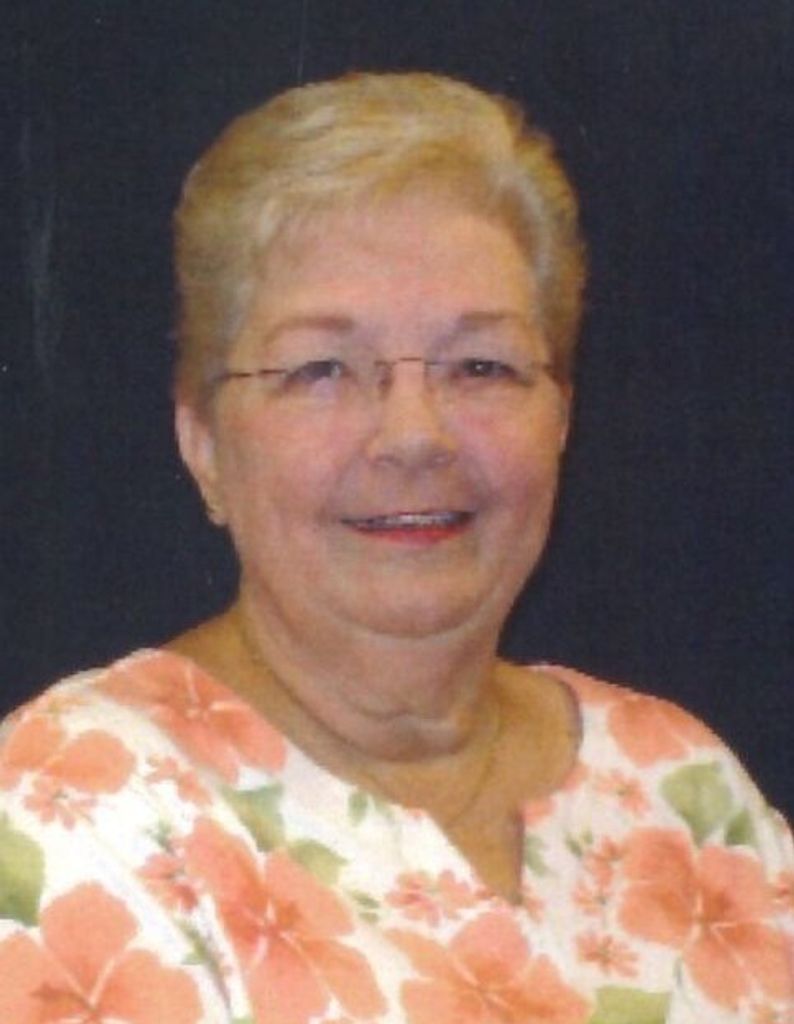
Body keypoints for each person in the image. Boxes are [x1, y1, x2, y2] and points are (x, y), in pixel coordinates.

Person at [0, 72, 791, 1024]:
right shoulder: (68, 815)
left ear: (561, 419)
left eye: (481, 366)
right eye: (323, 370)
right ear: (202, 443)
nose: (415, 435)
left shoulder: (679, 784)